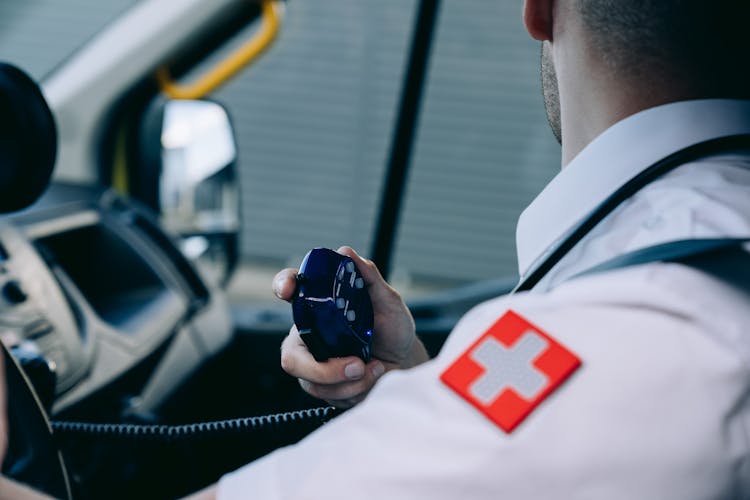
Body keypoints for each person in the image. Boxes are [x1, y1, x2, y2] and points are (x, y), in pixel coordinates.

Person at [183, 0, 750, 498]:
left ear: (540, 8)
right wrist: (409, 382)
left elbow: (524, 428)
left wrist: (426, 410)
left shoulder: (618, 331)